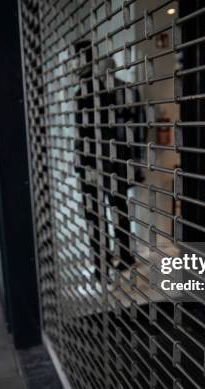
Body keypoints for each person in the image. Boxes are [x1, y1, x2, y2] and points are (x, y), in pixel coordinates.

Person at [74, 40, 145, 280]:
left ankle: (120, 257)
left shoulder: (117, 92)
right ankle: (103, 264)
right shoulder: (85, 93)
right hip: (98, 164)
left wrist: (135, 163)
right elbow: (80, 133)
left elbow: (135, 129)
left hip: (113, 163)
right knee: (98, 215)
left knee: (116, 211)